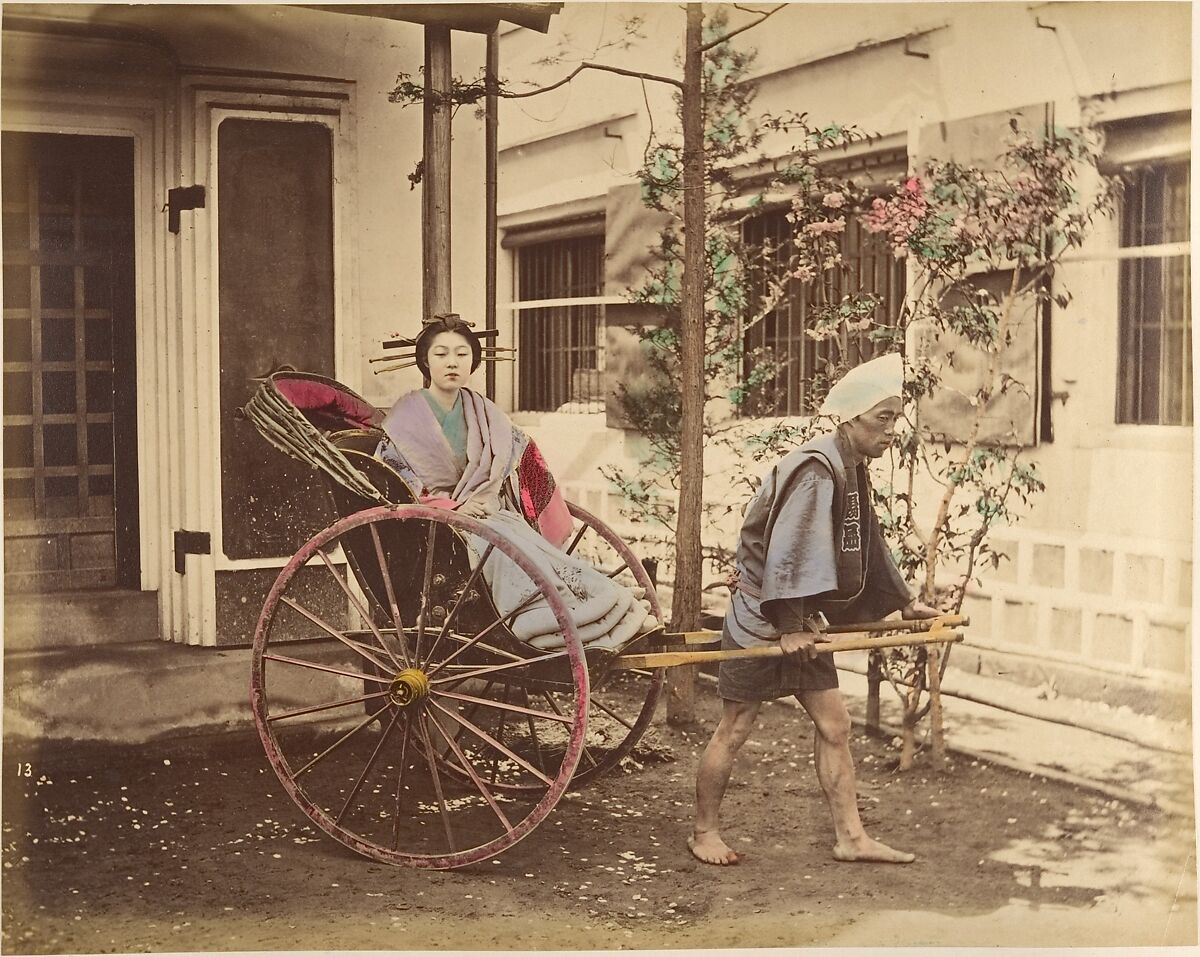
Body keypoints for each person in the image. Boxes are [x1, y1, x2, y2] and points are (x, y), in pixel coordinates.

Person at [689, 352, 941, 867]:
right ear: (849, 419)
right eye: (882, 419)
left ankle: (851, 838)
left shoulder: (851, 465)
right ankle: (703, 832)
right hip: (764, 616)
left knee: (835, 724)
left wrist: (905, 602)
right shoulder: (816, 468)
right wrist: (784, 626)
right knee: (735, 728)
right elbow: (790, 548)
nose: (893, 430)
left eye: (897, 418)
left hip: (801, 620)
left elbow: (866, 542)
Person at [375, 314, 656, 652]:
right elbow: (393, 485)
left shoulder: (485, 412)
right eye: (441, 354)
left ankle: (603, 608)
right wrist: (455, 507)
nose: (453, 363)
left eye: (462, 354)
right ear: (425, 360)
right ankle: (539, 618)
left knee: (527, 541)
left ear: (474, 361)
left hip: (488, 512)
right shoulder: (404, 420)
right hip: (437, 525)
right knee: (501, 542)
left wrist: (531, 505)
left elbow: (523, 453)